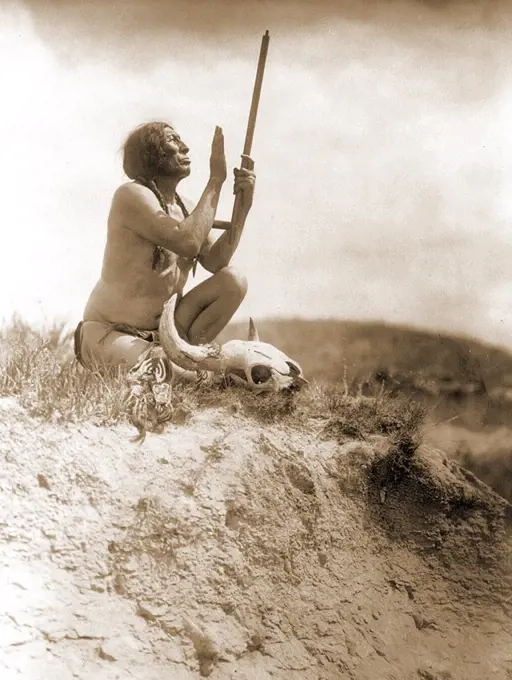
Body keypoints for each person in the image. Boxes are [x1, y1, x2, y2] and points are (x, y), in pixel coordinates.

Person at [74, 122, 256, 374]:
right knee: (172, 373)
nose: (185, 147)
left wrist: (243, 209)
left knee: (234, 280)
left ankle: (189, 355)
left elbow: (216, 262)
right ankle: (190, 368)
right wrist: (216, 180)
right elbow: (188, 242)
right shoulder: (131, 195)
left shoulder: (187, 207)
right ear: (151, 153)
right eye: (173, 140)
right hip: (110, 332)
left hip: (166, 333)